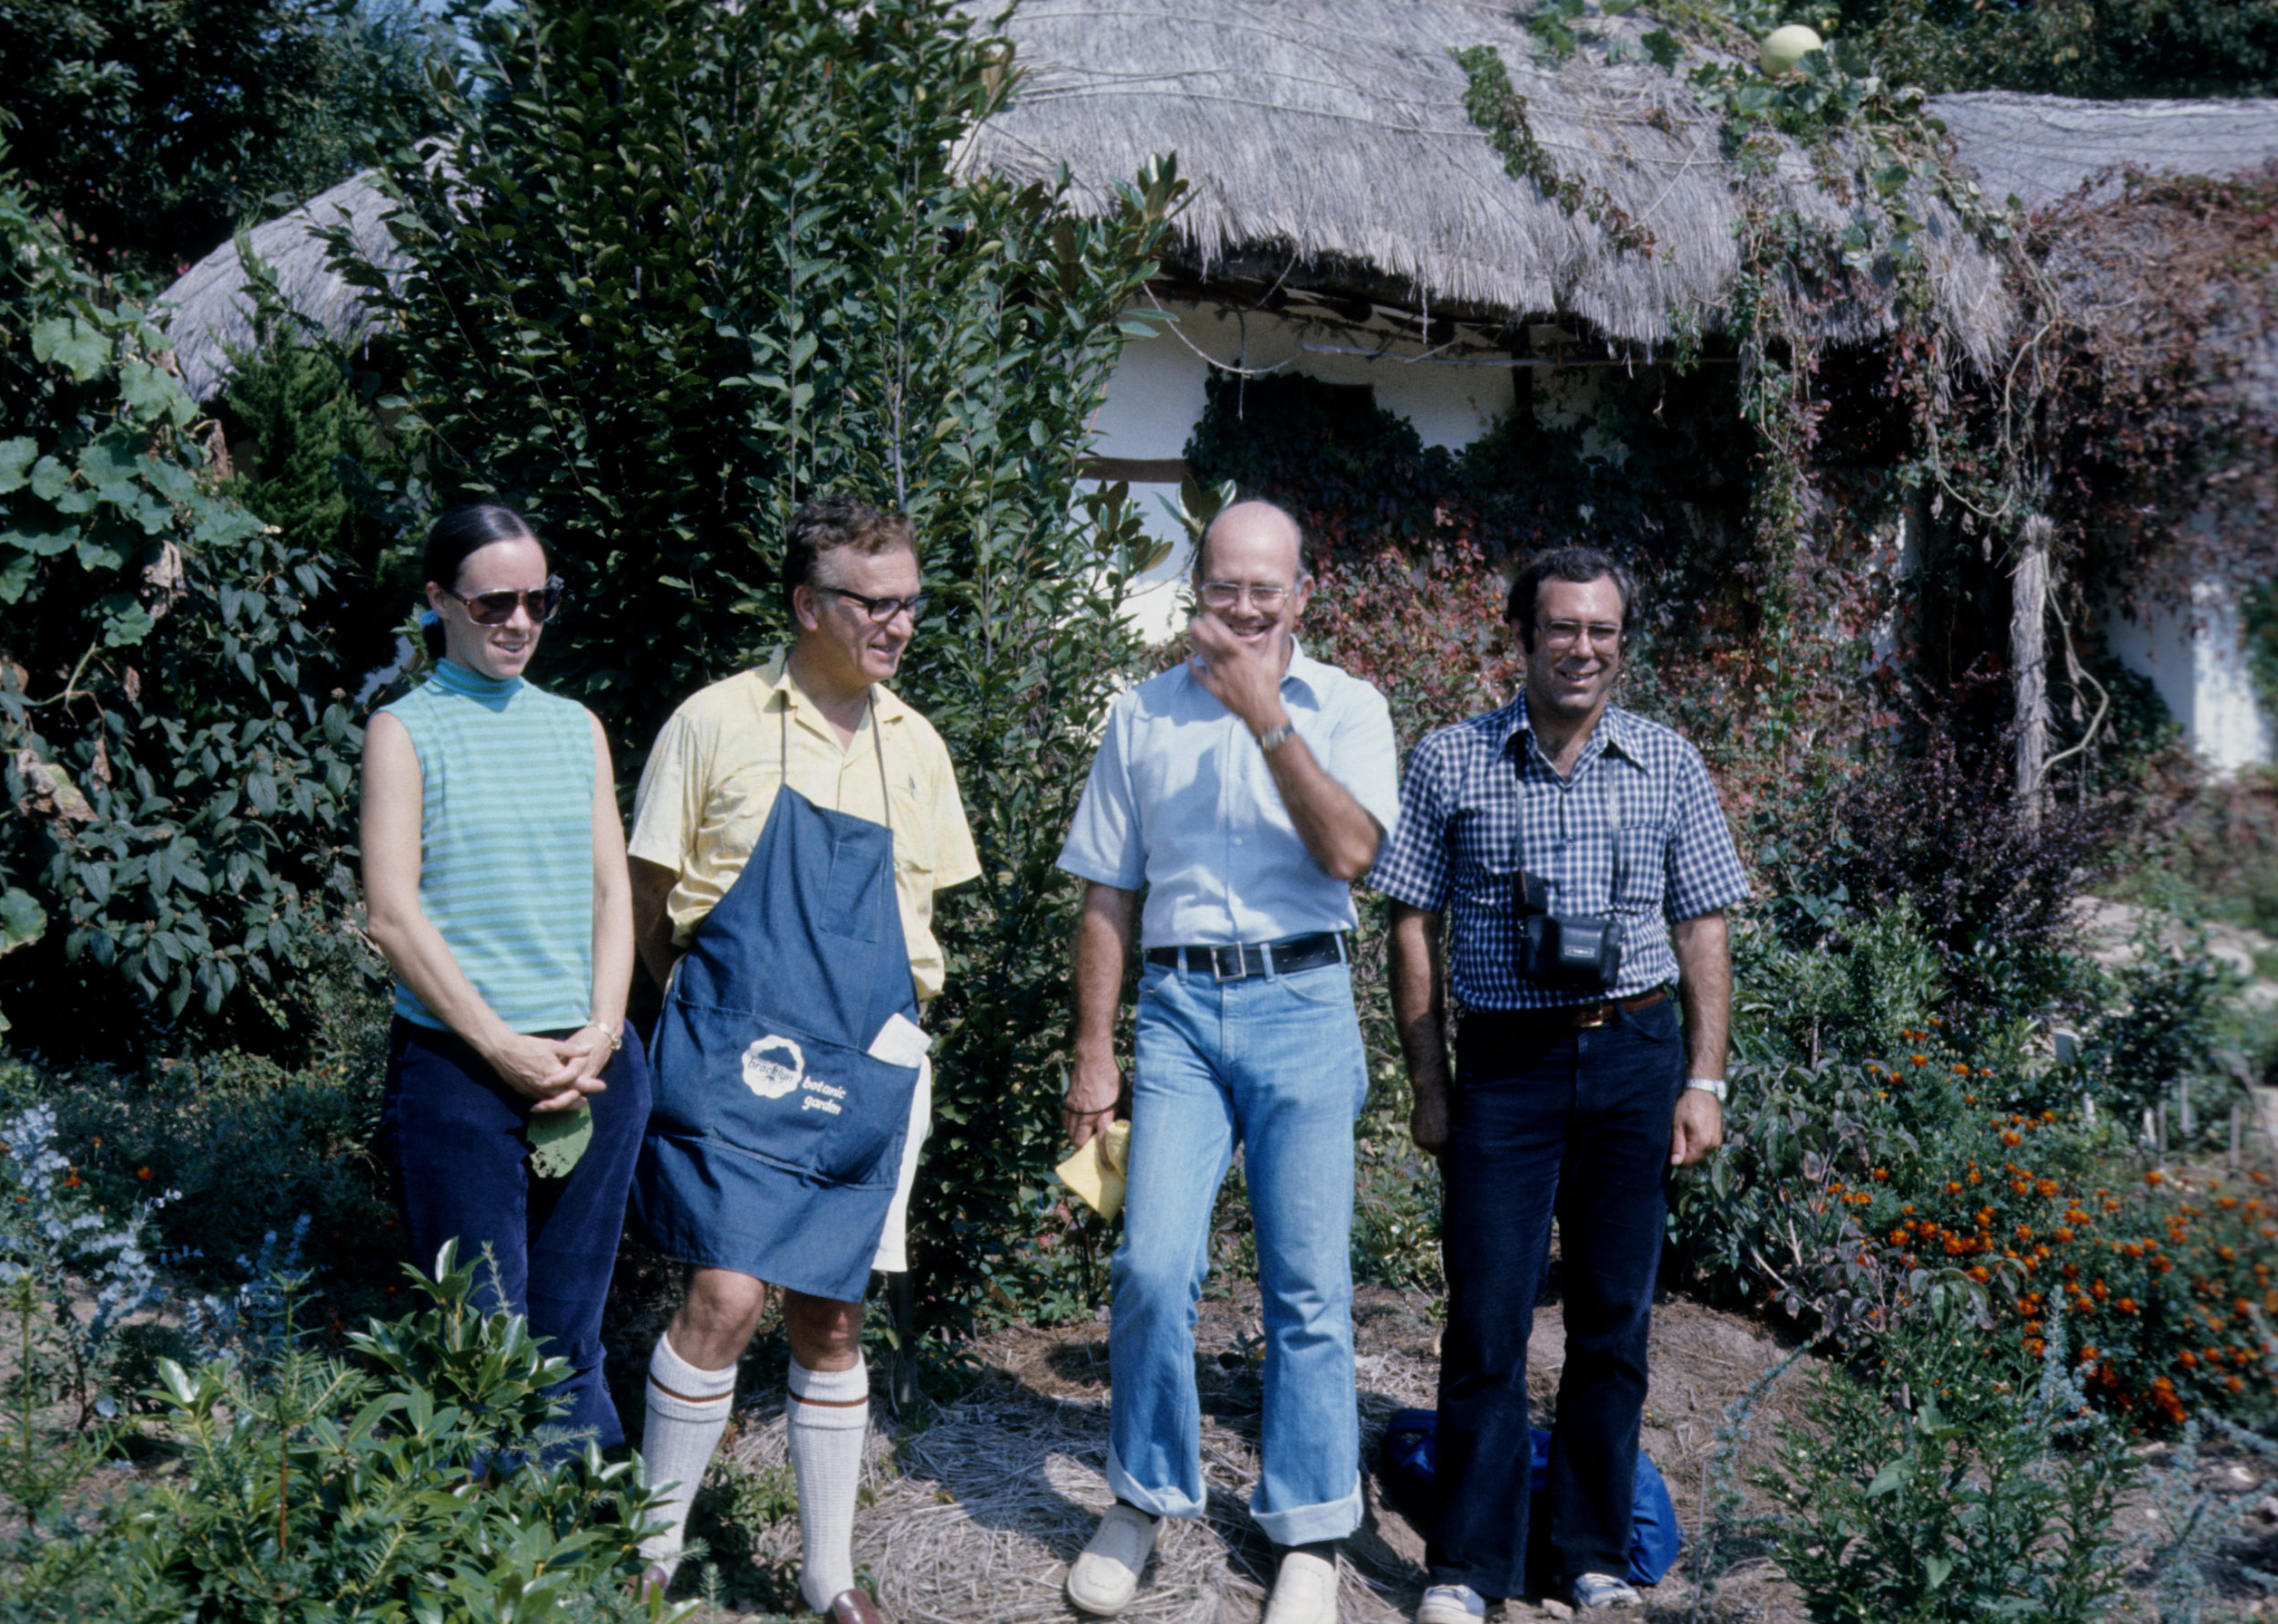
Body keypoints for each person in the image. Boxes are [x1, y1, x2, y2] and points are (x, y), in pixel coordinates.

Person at [1370, 547, 1747, 1620]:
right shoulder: (1452, 758)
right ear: (1522, 635)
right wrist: (1429, 1077)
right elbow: (1409, 915)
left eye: (1601, 631)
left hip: (1633, 1055)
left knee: (1611, 1315)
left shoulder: (1668, 760)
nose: (1581, 648)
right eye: (1561, 627)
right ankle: (1465, 1565)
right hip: (1506, 1067)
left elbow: (1703, 920)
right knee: (1486, 1316)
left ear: (1621, 643)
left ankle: (1588, 1550)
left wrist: (1704, 1077)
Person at [623, 495, 979, 1623]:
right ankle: (650, 1556)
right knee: (725, 1293)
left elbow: (919, 923)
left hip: (871, 1065)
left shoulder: (917, 747)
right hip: (739, 1050)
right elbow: (642, 902)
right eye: (874, 602)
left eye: (910, 600)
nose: (899, 623)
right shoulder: (715, 722)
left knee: (830, 1312)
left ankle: (830, 1575)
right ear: (806, 604)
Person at [1057, 500, 1399, 1624]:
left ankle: (1307, 1526)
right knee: (1152, 1267)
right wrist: (1093, 1050)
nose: (1245, 607)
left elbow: (1351, 851)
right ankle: (1144, 1493)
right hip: (1178, 1011)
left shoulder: (1347, 705)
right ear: (1195, 588)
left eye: (1267, 588)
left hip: (1303, 1000)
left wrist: (1263, 714)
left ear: (1304, 593)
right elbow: (1109, 892)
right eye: (1223, 587)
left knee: (1307, 1286)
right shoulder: (1141, 714)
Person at [363, 503, 648, 1456]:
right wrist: (499, 1045)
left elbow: (615, 891)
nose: (518, 622)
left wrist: (601, 1032)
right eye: (493, 603)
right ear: (439, 600)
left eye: (538, 599)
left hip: (591, 1065)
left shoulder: (576, 728)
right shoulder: (404, 731)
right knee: (481, 1329)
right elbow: (393, 914)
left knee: (569, 1319)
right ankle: (476, 1555)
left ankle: (576, 1540)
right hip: (462, 1069)